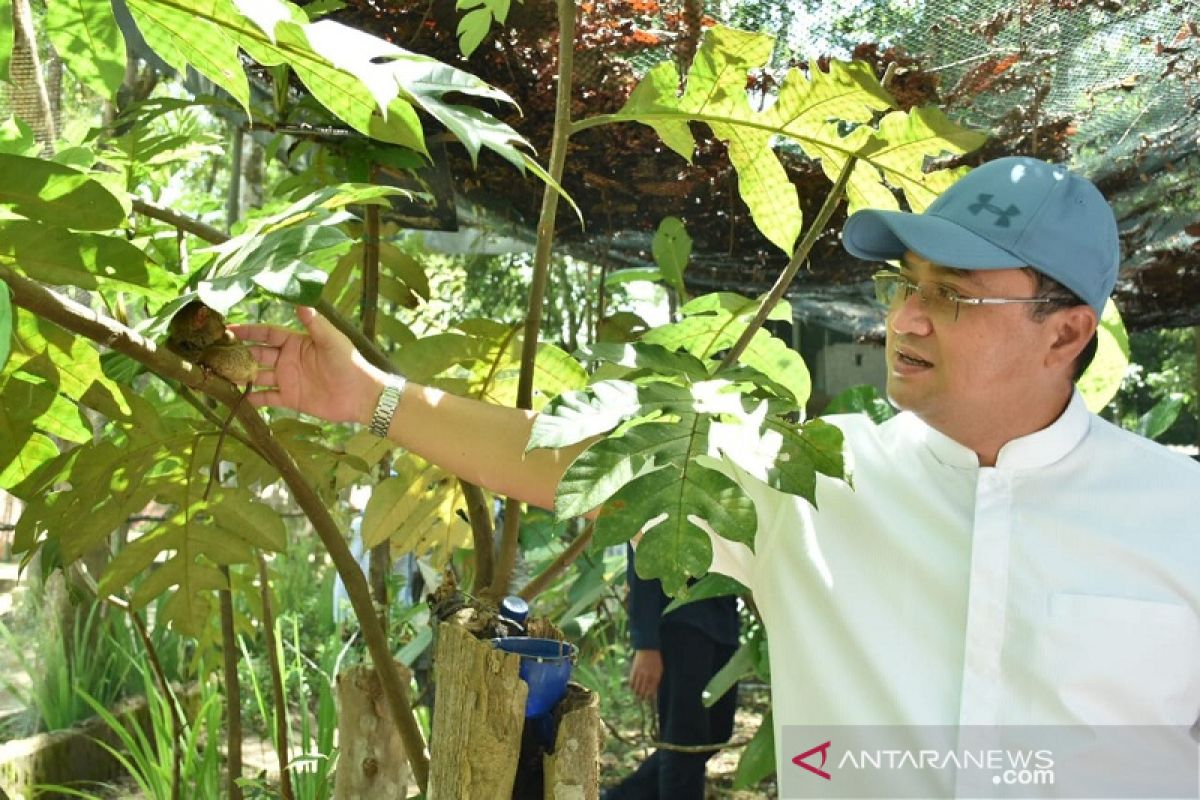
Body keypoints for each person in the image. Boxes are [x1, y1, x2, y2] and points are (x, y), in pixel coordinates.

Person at [232, 157, 1200, 786]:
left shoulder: (1180, 511)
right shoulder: (815, 479)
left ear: (1066, 331)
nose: (905, 318)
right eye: (904, 284)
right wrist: (374, 398)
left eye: (951, 297)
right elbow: (581, 463)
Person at [602, 545, 740, 799]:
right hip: (681, 618)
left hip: (723, 616)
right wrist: (646, 643)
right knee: (685, 741)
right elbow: (645, 550)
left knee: (714, 734)